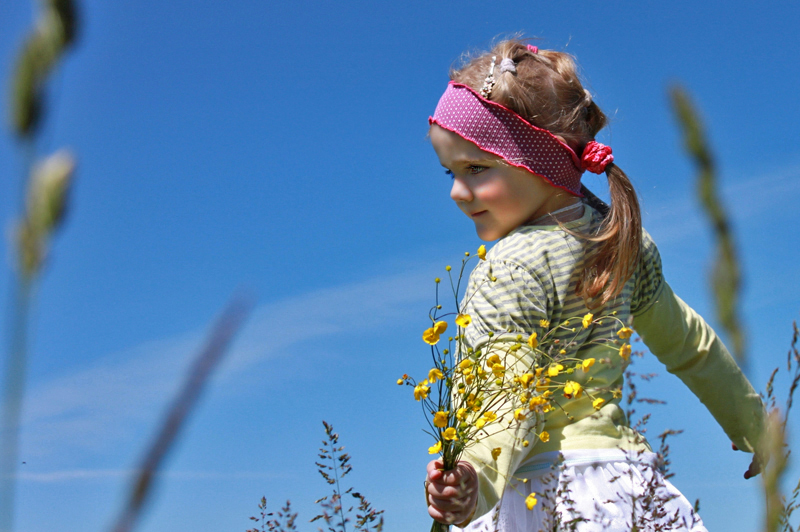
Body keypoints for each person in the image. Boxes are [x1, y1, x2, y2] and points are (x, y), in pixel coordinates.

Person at [423, 39, 765, 532]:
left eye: (476, 169)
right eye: (451, 172)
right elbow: (691, 346)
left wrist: (476, 479)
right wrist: (754, 425)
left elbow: (506, 395)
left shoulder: (511, 266)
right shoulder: (619, 238)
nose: (457, 193)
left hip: (544, 493)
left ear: (540, 161)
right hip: (629, 488)